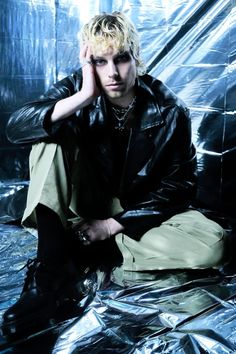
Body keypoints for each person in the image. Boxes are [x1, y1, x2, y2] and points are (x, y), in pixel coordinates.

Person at [2, 11, 226, 337]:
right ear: (88, 65)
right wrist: (83, 98)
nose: (112, 73)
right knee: (50, 138)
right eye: (99, 62)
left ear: (136, 57)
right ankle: (50, 271)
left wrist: (109, 226)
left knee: (214, 246)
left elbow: (180, 183)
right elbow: (17, 127)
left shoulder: (169, 109)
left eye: (120, 59)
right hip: (82, 202)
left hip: (132, 213)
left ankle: (85, 249)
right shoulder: (77, 89)